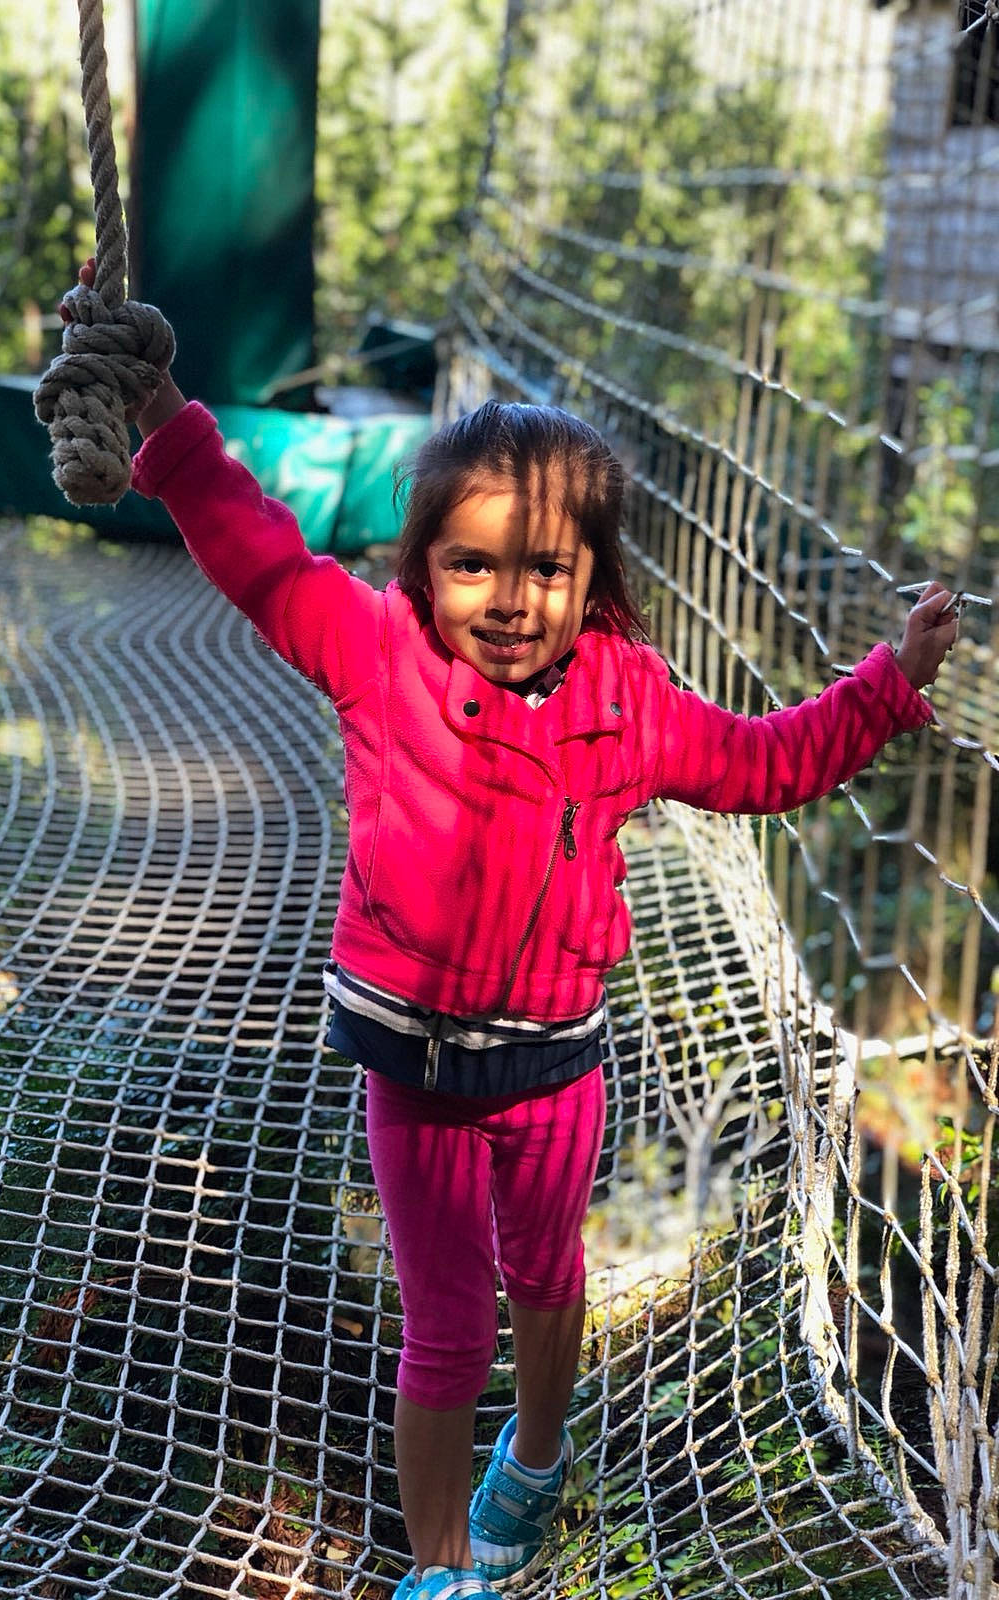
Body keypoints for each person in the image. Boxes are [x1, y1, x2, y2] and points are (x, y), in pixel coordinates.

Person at [60, 261, 956, 1600]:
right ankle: (439, 1571)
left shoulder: (631, 702)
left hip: (550, 1070)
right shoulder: (378, 653)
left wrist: (888, 687)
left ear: (592, 578)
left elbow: (771, 761)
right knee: (443, 1327)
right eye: (471, 563)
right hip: (411, 1068)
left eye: (544, 567)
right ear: (425, 567)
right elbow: (254, 548)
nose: (507, 596)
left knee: (546, 1279)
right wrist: (163, 403)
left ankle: (534, 1458)